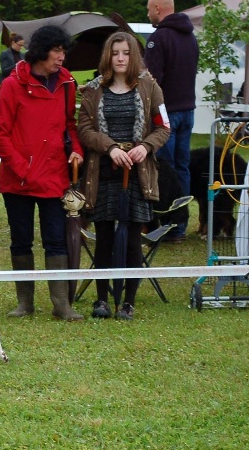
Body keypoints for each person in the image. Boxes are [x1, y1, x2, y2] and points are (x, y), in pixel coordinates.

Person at [0, 25, 84, 321]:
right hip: (18, 180)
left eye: (63, 51)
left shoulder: (68, 83)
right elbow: (0, 134)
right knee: (21, 240)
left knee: (55, 240)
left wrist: (77, 150)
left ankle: (61, 304)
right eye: (57, 51)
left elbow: (70, 124)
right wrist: (24, 169)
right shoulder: (11, 85)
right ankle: (25, 303)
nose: (61, 57)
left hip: (55, 175)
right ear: (42, 51)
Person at [77, 31, 169, 321]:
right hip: (103, 172)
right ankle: (102, 299)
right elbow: (85, 130)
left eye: (126, 53)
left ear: (133, 56)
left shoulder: (150, 87)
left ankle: (128, 302)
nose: (120, 58)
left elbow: (164, 127)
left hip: (138, 173)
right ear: (108, 56)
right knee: (103, 237)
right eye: (115, 53)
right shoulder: (92, 90)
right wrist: (111, 148)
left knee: (131, 239)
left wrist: (145, 146)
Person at [144, 0, 197, 244]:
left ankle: (166, 223)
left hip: (166, 113)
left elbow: (152, 81)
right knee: (182, 167)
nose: (147, 13)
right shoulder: (191, 37)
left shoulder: (159, 38)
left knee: (164, 169)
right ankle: (181, 224)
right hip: (188, 110)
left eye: (148, 8)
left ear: (157, 8)